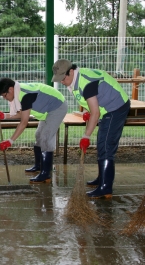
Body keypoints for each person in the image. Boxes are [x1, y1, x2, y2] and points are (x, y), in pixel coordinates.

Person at [52, 59, 130, 199]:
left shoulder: (86, 82)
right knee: (102, 144)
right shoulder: (75, 79)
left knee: (106, 145)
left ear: (71, 71)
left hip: (115, 107)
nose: (62, 82)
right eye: (60, 80)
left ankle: (105, 188)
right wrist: (89, 110)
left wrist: (86, 136)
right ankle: (102, 179)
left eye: (63, 78)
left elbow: (96, 113)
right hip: (106, 108)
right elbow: (91, 103)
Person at [0, 78, 68, 184]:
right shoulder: (19, 92)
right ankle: (38, 166)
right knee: (39, 135)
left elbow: (24, 122)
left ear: (10, 89)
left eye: (4, 95)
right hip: (47, 110)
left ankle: (45, 174)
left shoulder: (25, 95)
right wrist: (5, 116)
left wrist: (10, 141)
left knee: (45, 138)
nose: (5, 98)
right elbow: (23, 113)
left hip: (57, 107)